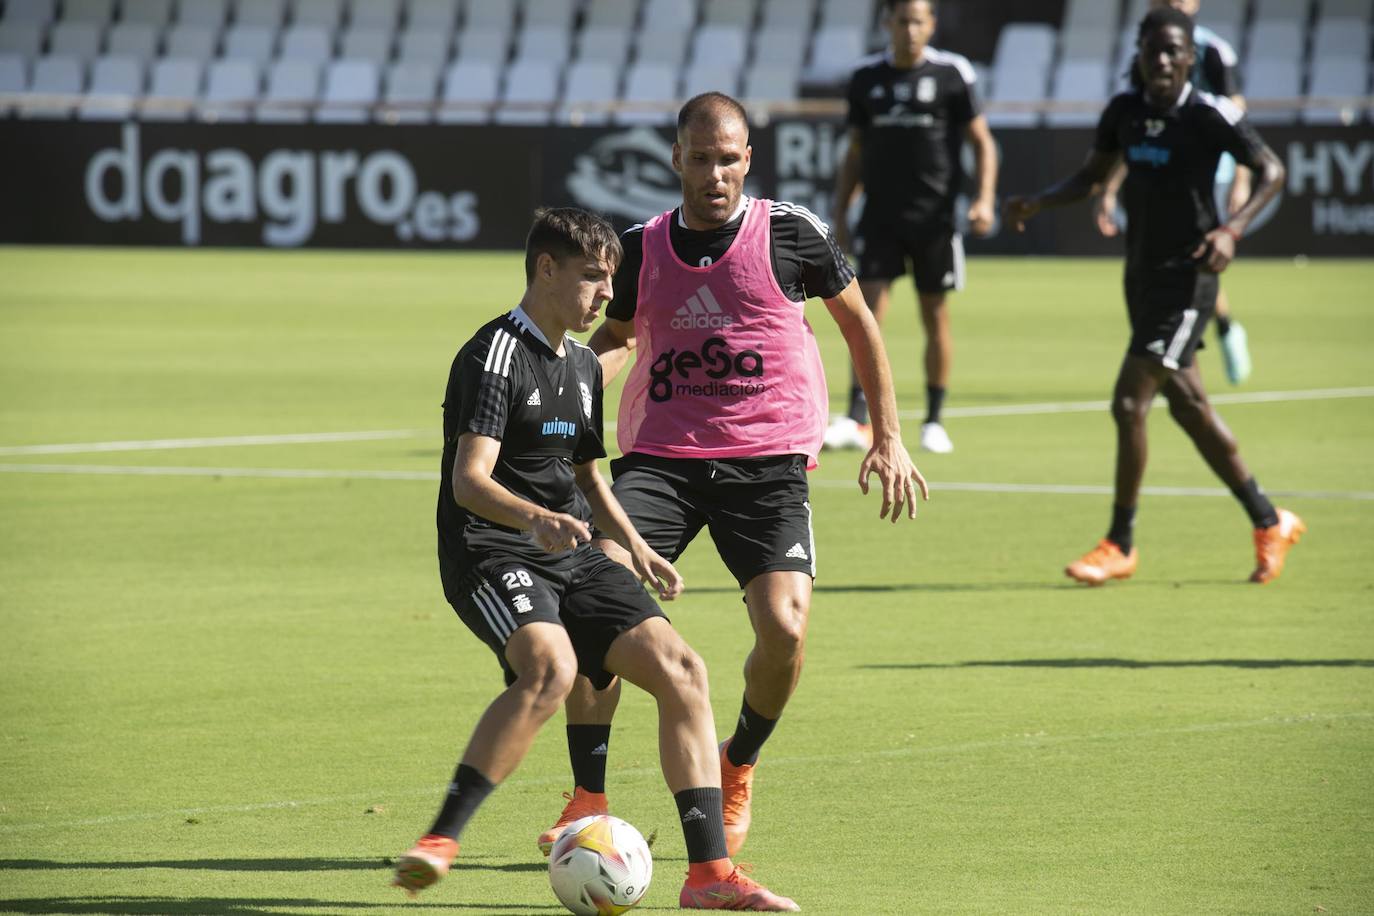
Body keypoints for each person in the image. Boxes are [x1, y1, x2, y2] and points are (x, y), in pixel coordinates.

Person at [534, 92, 928, 861]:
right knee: (599, 600)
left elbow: (860, 325)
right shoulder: (641, 248)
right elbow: (614, 341)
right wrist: (563, 398)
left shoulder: (792, 234)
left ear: (748, 159)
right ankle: (588, 794)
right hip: (662, 463)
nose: (715, 173)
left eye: (729, 158)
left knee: (784, 632)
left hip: (767, 467)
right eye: (701, 158)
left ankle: (739, 761)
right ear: (676, 158)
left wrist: (889, 436)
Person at [392, 207, 799, 911]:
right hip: (490, 550)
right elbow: (470, 481)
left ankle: (709, 876)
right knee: (552, 667)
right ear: (545, 269)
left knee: (684, 670)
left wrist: (638, 550)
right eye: (590, 279)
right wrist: (535, 520)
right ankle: (440, 841)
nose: (606, 297)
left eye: (610, 281)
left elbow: (586, 477)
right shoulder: (492, 356)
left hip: (569, 549)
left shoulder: (582, 365)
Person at [1003, 8, 1304, 587]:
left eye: (1173, 51)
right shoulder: (1126, 112)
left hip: (1190, 280)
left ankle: (1120, 541)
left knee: (1127, 402)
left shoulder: (1208, 114)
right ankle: (1271, 520)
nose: (1161, 61)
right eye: (1152, 50)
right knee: (1190, 409)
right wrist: (1039, 201)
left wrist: (1231, 229)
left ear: (1190, 57)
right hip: (1140, 277)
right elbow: (1093, 176)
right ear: (1139, 54)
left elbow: (1271, 170)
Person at [827, 0, 999, 454]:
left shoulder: (951, 74)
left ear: (931, 25)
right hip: (881, 217)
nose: (909, 29)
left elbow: (982, 143)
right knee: (865, 315)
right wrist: (842, 213)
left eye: (917, 21)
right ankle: (857, 418)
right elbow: (855, 153)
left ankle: (935, 419)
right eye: (901, 21)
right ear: (888, 23)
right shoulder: (866, 79)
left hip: (935, 222)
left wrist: (983, 199)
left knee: (934, 315)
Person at [1094, 0, 1255, 386]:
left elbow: (1237, 113)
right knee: (1172, 258)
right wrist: (1110, 187)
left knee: (1192, 255)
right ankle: (1199, 349)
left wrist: (1242, 178)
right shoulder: (1146, 51)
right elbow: (1135, 130)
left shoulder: (1213, 50)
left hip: (1208, 165)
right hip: (1157, 162)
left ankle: (1221, 332)